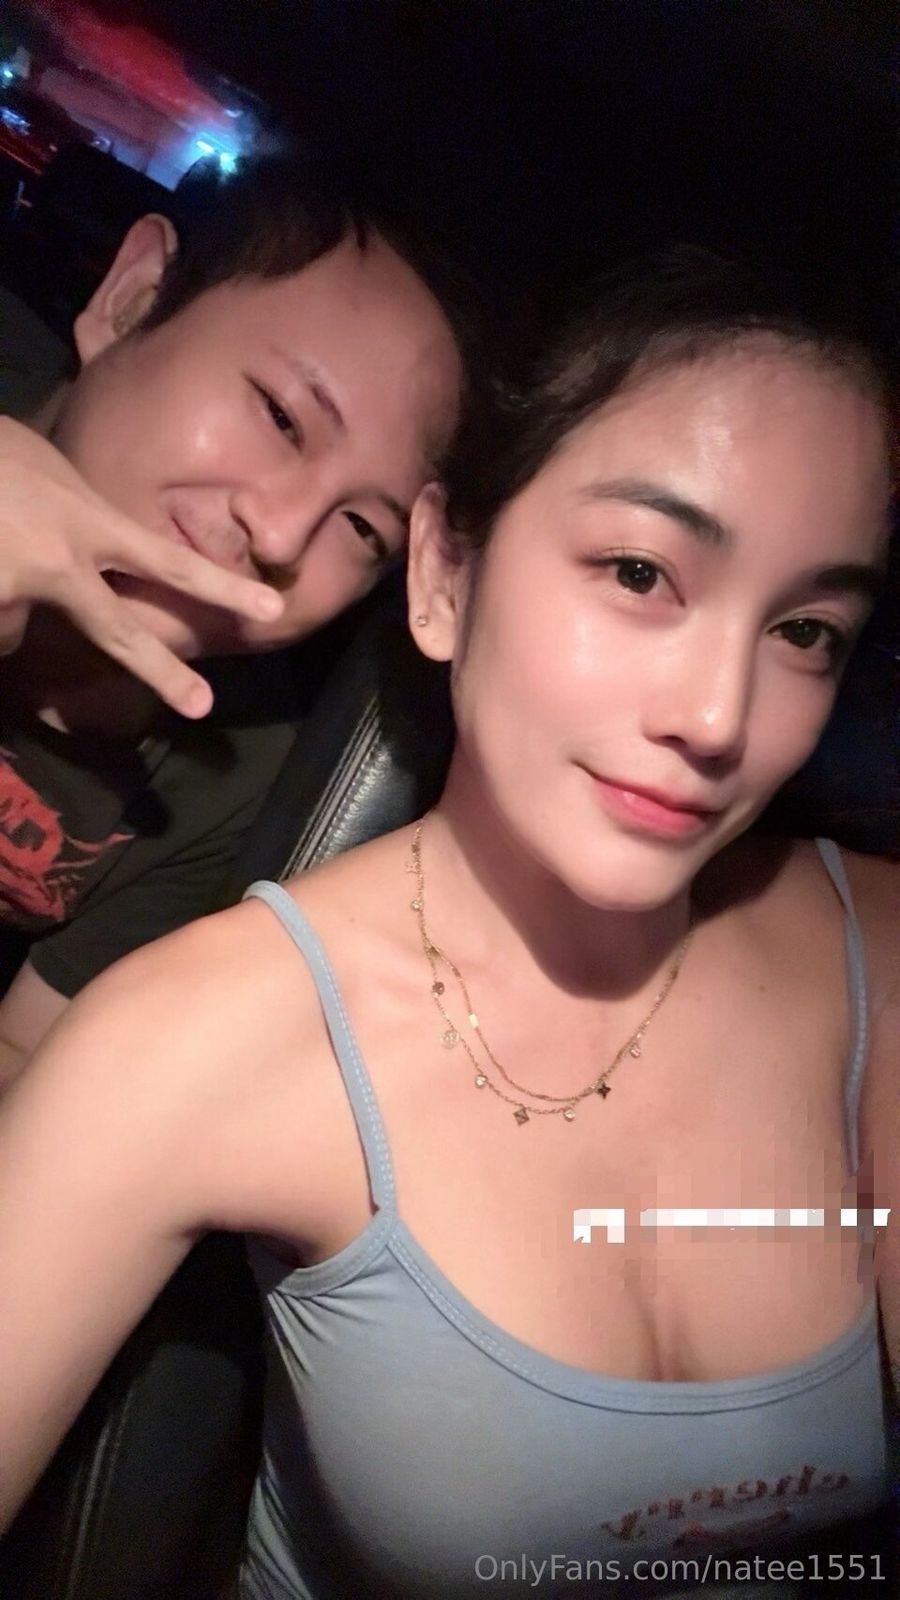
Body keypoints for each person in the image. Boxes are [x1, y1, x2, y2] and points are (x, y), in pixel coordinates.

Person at [0, 249, 896, 1597]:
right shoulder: (197, 1032)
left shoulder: (872, 948)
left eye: (808, 631)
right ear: (444, 573)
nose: (719, 718)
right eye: (640, 571)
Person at [0, 150, 466, 1079]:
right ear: (132, 299)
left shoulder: (236, 773)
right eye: (282, 417)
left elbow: (22, 1057)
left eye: (361, 530)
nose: (283, 534)